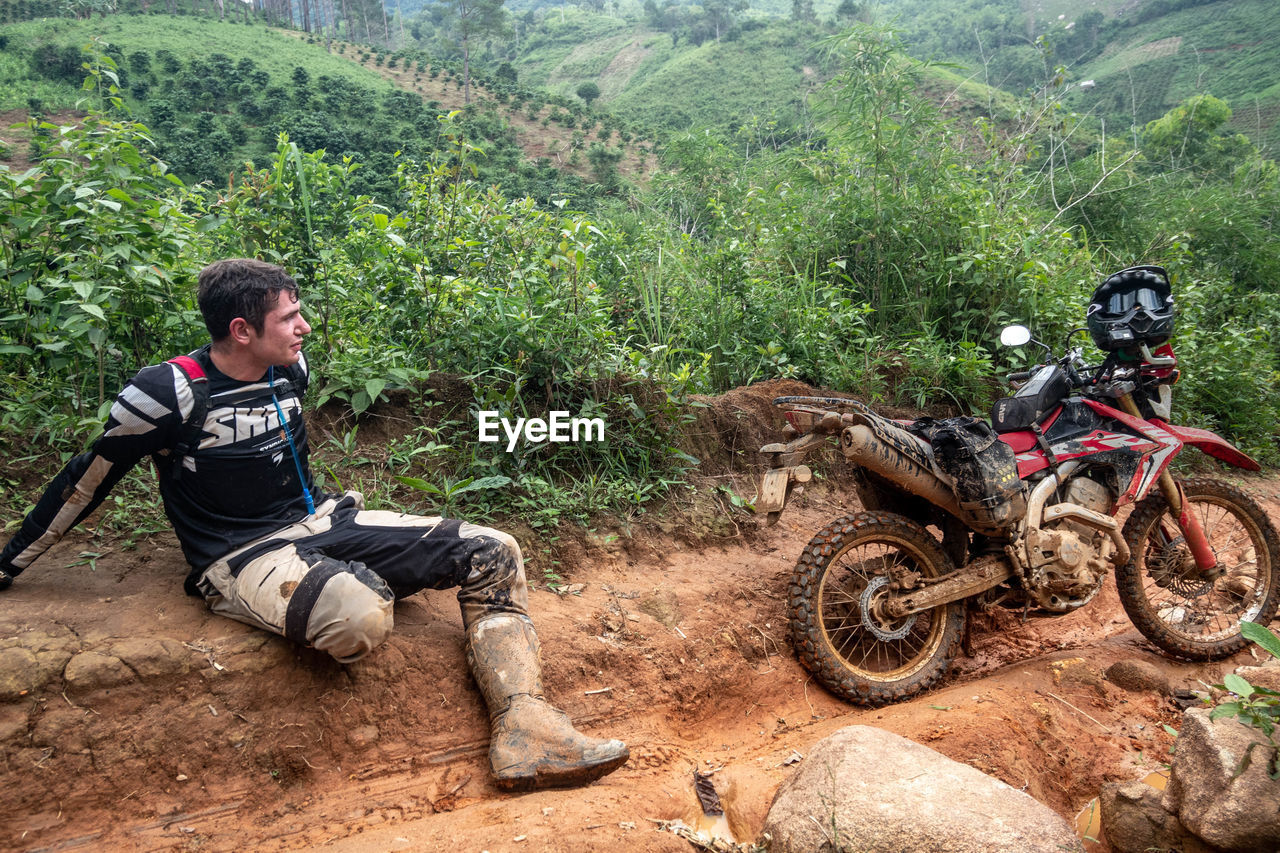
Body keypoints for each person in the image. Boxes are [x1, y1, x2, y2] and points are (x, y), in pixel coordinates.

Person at [0, 258, 628, 791]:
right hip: (241, 553)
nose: (304, 327)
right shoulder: (169, 392)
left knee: (493, 550)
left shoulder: (288, 368)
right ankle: (270, 593)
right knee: (359, 618)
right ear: (241, 330)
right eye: (288, 318)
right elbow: (87, 480)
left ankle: (528, 726)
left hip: (320, 521)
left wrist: (341, 535)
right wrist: (11, 560)